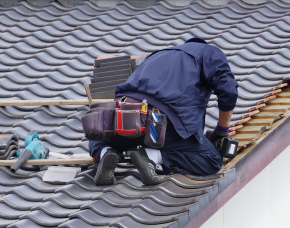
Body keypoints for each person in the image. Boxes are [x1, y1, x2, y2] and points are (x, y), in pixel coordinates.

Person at [88, 37, 238, 186]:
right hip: (158, 123)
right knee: (210, 159)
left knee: (100, 133)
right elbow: (228, 91)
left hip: (125, 115)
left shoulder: (156, 55)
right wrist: (222, 130)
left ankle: (105, 153)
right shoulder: (208, 52)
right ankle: (150, 156)